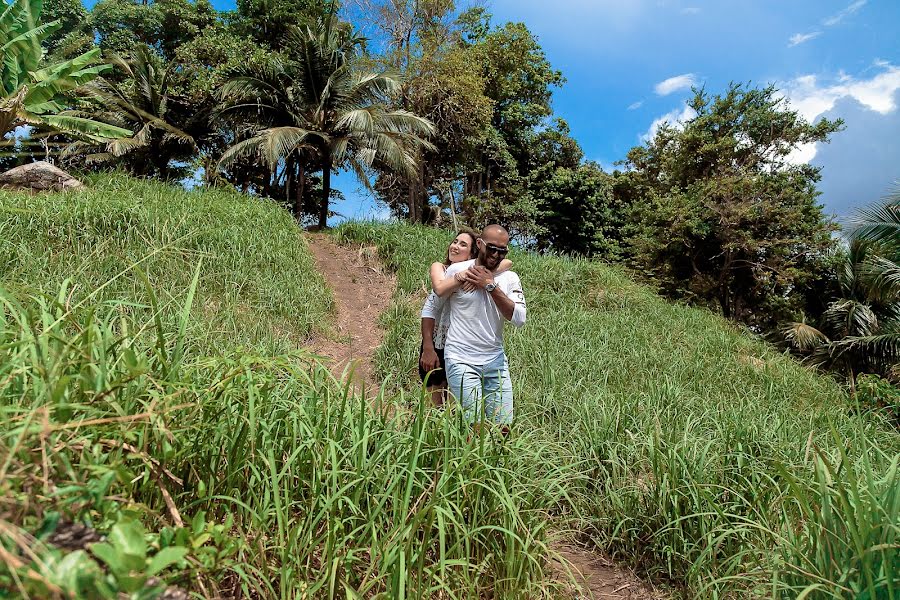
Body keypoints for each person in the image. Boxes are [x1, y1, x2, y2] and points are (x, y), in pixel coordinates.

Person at [436, 225, 526, 426]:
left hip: (495, 361)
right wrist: (430, 347)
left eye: (502, 251)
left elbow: (519, 318)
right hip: (460, 358)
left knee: (503, 426)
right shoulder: (457, 270)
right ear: (479, 244)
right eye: (491, 248)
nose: (496, 255)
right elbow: (435, 306)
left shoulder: (510, 278)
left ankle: (496, 458)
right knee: (473, 425)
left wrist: (490, 285)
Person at [419, 230, 511, 405]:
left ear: (473, 252)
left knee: (457, 407)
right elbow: (432, 303)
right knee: (434, 404)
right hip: (437, 344)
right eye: (455, 241)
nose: (455, 246)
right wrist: (428, 348)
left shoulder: (479, 274)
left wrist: (477, 273)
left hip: (463, 350)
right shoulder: (443, 269)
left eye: (463, 244)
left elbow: (507, 262)